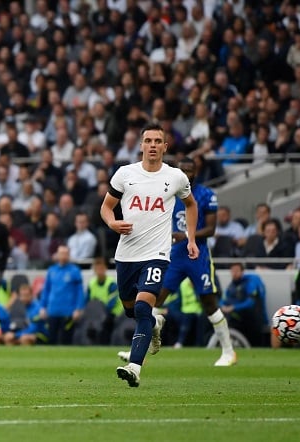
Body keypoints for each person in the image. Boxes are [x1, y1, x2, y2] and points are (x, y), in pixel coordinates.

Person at [100, 123, 199, 387]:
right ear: (141, 145)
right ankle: (155, 324)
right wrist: (112, 223)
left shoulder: (176, 176)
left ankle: (134, 367)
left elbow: (191, 205)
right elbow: (106, 207)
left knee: (143, 306)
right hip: (126, 254)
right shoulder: (125, 174)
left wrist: (190, 238)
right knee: (133, 311)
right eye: (148, 140)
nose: (153, 145)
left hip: (157, 253)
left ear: (165, 147)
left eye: (158, 141)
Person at [157, 157, 237, 366]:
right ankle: (140, 350)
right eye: (182, 170)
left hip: (198, 255)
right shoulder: (169, 194)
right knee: (155, 299)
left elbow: (211, 230)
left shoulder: (206, 195)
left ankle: (228, 352)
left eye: (190, 170)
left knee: (209, 303)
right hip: (176, 255)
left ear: (196, 172)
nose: (186, 174)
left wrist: (186, 235)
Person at [38, 245, 86, 345]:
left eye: (65, 253)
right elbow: (46, 290)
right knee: (51, 339)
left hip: (68, 311)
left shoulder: (74, 271)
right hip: (52, 310)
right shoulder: (52, 270)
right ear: (57, 255)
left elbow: (79, 292)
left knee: (66, 340)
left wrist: (78, 308)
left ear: (69, 255)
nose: (63, 256)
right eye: (61, 253)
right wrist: (43, 307)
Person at [221, 262, 268, 347]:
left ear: (242, 272)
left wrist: (233, 307)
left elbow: (250, 302)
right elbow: (223, 300)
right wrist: (222, 306)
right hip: (237, 319)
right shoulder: (231, 286)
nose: (234, 273)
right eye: (232, 271)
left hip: (252, 319)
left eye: (236, 271)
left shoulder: (251, 282)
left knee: (256, 344)